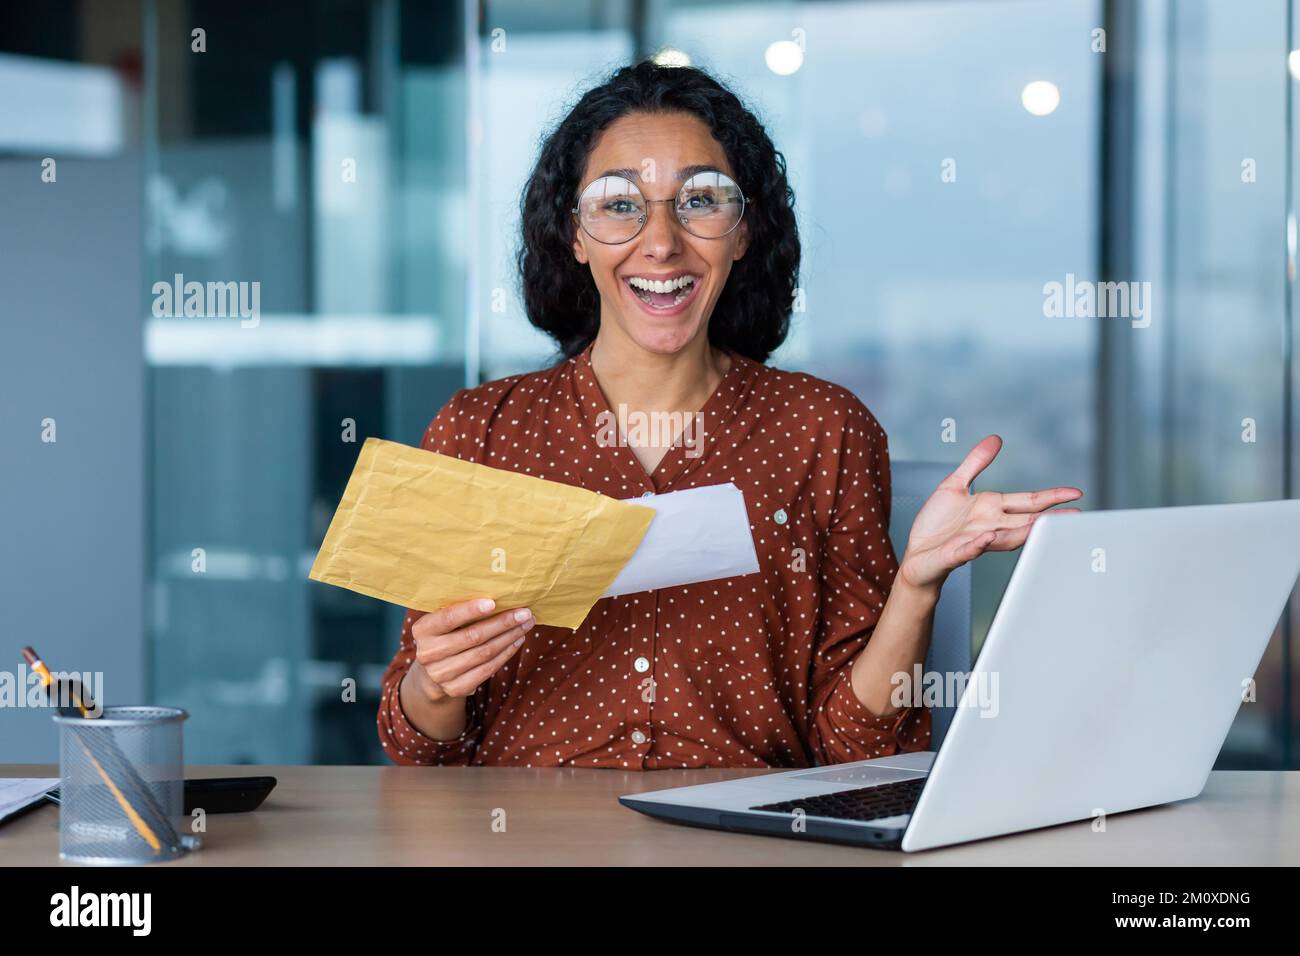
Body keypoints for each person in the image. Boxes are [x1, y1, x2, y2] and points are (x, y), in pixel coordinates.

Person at [378, 60, 1081, 769]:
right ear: (575, 234)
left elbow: (856, 746)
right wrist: (436, 683)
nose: (661, 241)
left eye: (702, 200)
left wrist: (917, 584)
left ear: (742, 234)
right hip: (524, 837)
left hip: (749, 836)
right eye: (620, 204)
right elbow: (419, 748)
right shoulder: (479, 431)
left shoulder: (824, 431)